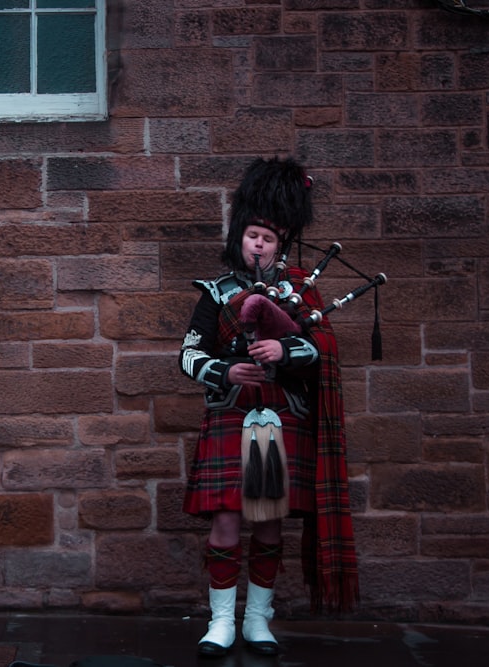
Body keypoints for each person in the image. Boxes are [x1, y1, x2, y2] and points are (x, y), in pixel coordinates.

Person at [179, 156, 359, 657]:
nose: (258, 244)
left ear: (281, 244)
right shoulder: (215, 295)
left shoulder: (300, 294)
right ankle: (221, 622)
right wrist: (227, 370)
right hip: (231, 417)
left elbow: (319, 349)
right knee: (226, 521)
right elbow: (189, 355)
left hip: (277, 422)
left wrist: (284, 349)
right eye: (253, 234)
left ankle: (258, 618)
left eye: (269, 238)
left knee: (269, 522)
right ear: (240, 235)